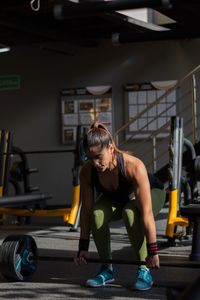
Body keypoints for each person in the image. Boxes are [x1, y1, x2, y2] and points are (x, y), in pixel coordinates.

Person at [74, 121, 165, 290]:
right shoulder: (88, 171)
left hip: (154, 192)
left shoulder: (133, 166)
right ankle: (106, 269)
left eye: (98, 157)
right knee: (97, 213)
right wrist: (83, 247)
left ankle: (144, 270)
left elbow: (146, 212)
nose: (95, 163)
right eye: (90, 157)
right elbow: (86, 210)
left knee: (131, 212)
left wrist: (153, 251)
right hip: (119, 197)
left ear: (110, 148)